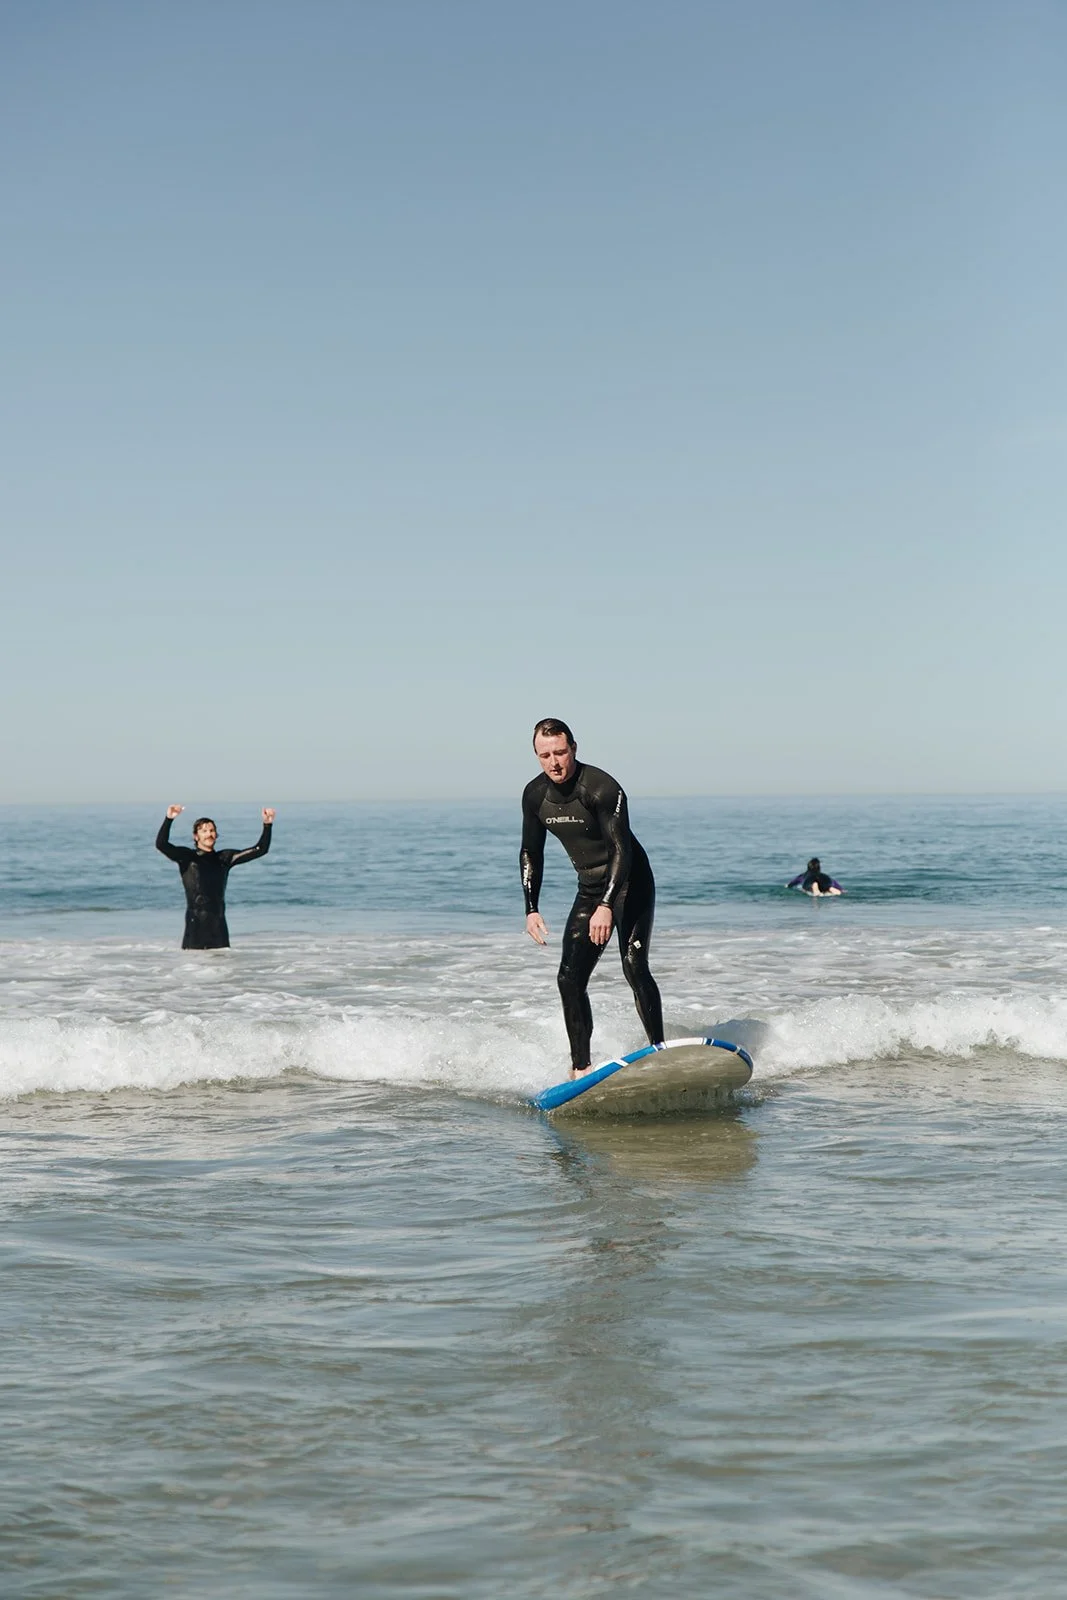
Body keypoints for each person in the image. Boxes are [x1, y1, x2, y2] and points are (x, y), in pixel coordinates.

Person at [520, 719, 664, 1078]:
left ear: (573, 749)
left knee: (634, 966)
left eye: (560, 753)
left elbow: (621, 850)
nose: (554, 763)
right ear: (536, 755)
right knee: (569, 979)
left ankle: (660, 1052)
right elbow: (530, 852)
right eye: (545, 755)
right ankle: (580, 1068)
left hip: (630, 882)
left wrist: (607, 906)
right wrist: (531, 908)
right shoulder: (535, 795)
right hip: (590, 888)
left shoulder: (601, 788)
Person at [156, 804, 275, 948]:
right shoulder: (187, 857)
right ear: (196, 836)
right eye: (204, 831)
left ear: (216, 835)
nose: (209, 834)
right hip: (195, 928)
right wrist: (169, 819)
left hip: (219, 928)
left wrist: (267, 824)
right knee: (193, 963)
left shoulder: (224, 858)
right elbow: (161, 844)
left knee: (224, 962)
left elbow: (260, 849)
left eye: (212, 830)